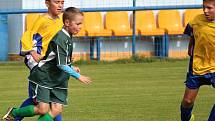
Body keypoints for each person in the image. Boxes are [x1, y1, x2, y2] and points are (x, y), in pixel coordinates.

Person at [2, 7, 91, 121]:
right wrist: (78, 76)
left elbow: (59, 59)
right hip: (45, 77)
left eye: (81, 24)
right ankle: (14, 112)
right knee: (43, 109)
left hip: (57, 78)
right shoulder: (60, 38)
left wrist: (71, 66)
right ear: (67, 23)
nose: (80, 27)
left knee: (57, 109)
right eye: (78, 24)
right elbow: (61, 64)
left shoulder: (68, 37)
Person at [16, 0, 64, 121]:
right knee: (43, 100)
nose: (60, 5)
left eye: (62, 2)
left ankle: (13, 116)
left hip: (50, 62)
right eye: (57, 2)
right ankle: (14, 115)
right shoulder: (41, 20)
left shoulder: (60, 20)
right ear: (47, 3)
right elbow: (27, 36)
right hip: (37, 61)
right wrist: (33, 53)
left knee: (51, 99)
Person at [180, 0, 215, 121]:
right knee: (187, 101)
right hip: (198, 66)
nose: (205, 11)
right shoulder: (196, 21)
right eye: (204, 7)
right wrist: (190, 46)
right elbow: (191, 34)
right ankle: (187, 118)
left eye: (209, 8)